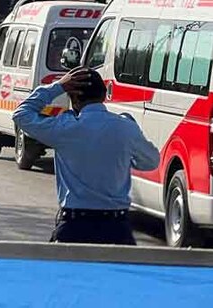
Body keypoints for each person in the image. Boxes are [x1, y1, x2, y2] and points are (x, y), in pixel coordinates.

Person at [13, 68, 160, 245]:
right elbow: (151, 161)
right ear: (104, 95)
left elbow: (21, 114)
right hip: (116, 229)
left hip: (75, 227)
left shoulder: (65, 128)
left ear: (74, 98)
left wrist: (58, 87)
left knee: (64, 273)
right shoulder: (125, 128)